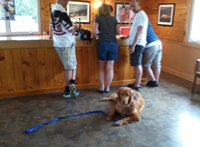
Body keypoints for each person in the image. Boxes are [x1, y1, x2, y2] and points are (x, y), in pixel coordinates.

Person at [49, 0, 79, 98]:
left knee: (73, 64)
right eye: (66, 1)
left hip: (58, 43)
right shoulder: (61, 13)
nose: (67, 2)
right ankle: (67, 90)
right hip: (66, 43)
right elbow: (71, 29)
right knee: (69, 67)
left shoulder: (53, 11)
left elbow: (51, 27)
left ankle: (72, 85)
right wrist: (76, 27)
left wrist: (50, 36)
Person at [92, 4, 120, 93]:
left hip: (102, 44)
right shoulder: (114, 19)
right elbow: (118, 32)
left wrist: (94, 38)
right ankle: (108, 88)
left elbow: (94, 32)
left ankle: (102, 87)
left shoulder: (98, 18)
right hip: (113, 44)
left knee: (101, 68)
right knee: (110, 68)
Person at [121, 0, 148, 91]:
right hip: (136, 43)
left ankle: (137, 85)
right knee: (136, 64)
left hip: (138, 44)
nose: (132, 8)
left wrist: (133, 45)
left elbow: (139, 31)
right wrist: (127, 37)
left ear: (139, 4)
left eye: (134, 6)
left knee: (137, 64)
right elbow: (135, 30)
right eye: (131, 6)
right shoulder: (138, 15)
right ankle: (137, 83)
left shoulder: (141, 15)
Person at [143, 21, 162, 87]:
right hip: (158, 42)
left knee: (146, 65)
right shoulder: (148, 22)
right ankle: (156, 81)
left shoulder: (140, 23)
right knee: (157, 63)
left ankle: (153, 81)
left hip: (150, 45)